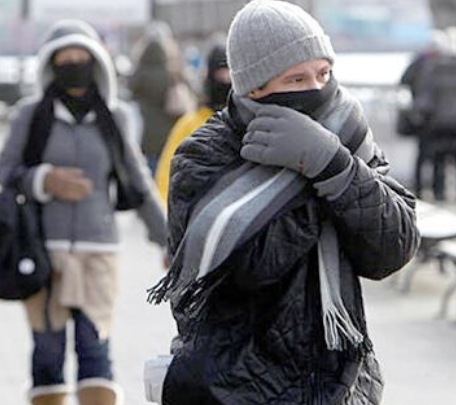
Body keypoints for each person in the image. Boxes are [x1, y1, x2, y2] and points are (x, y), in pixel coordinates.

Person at [148, 1, 420, 404]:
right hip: (234, 388)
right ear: (255, 86)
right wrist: (313, 176)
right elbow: (249, 268)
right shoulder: (203, 155)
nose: (317, 89)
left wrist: (336, 168)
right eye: (297, 79)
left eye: (324, 73)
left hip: (339, 385)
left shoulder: (346, 138)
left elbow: (393, 248)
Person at [0, 20, 167, 405]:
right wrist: (43, 180)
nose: (73, 65)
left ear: (97, 63)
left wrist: (170, 241)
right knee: (48, 353)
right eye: (64, 59)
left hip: (98, 251)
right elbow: (4, 171)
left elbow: (138, 185)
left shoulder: (114, 118)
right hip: (42, 251)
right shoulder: (30, 115)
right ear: (50, 65)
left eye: (81, 58)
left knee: (95, 350)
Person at [401, 28, 456, 202]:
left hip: (435, 122)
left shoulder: (430, 67)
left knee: (433, 157)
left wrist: (416, 114)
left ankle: (433, 193)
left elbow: (424, 96)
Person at [155, 43, 230, 203]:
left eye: (230, 75)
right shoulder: (189, 124)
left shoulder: (251, 122)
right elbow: (167, 172)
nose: (226, 81)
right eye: (220, 74)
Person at [131, 22, 195, 173]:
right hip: (171, 131)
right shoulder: (174, 72)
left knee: (151, 172)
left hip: (147, 135)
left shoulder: (138, 74)